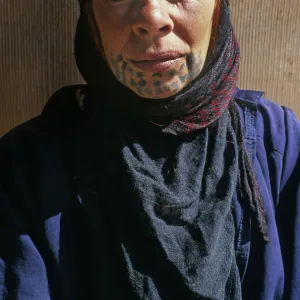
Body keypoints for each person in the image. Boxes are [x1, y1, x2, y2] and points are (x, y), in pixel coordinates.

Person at [0, 0, 299, 299]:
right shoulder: (24, 169)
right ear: (91, 16)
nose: (152, 17)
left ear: (218, 8)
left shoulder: (279, 144)